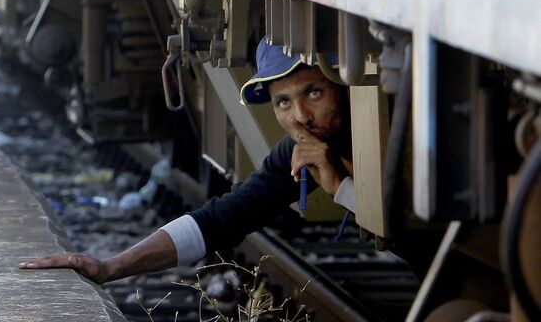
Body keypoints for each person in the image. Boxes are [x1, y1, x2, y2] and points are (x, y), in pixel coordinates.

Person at [19, 38, 355, 283]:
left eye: (314, 93)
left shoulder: (393, 140)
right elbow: (221, 219)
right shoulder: (297, 150)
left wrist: (340, 188)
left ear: (343, 85)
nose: (300, 117)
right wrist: (110, 268)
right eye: (282, 102)